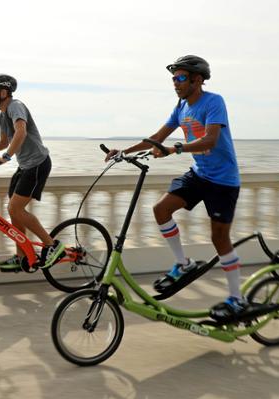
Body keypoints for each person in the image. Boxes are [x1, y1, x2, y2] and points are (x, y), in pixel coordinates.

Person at [104, 55, 247, 320]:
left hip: (223, 181)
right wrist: (123, 152)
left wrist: (174, 149)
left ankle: (237, 299)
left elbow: (210, 140)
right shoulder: (181, 106)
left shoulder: (214, 101)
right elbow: (157, 138)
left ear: (198, 79)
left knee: (219, 238)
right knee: (161, 210)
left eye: (181, 78)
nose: (175, 83)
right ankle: (183, 264)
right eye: (173, 78)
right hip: (199, 174)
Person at [0, 74, 65, 272]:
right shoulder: (2, 114)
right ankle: (22, 257)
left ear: (3, 93)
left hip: (38, 163)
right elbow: (5, 141)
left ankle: (53, 246)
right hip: (25, 166)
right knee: (14, 210)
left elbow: (20, 131)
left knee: (15, 209)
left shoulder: (15, 106)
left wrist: (5, 158)